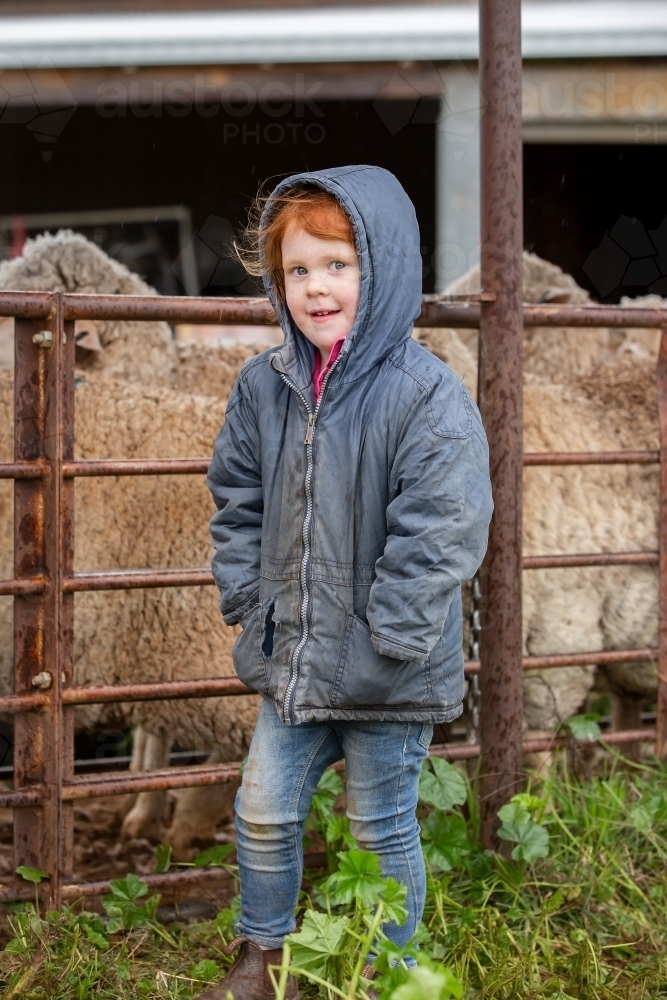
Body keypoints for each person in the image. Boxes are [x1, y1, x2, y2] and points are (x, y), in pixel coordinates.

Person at [203, 165, 493, 1000]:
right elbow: (237, 501)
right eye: (298, 270)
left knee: (379, 827)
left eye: (338, 264)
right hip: (293, 651)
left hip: (386, 664)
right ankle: (264, 957)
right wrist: (249, 601)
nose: (315, 288)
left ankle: (384, 969)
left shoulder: (425, 394)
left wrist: (392, 632)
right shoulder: (264, 388)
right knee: (262, 809)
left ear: (384, 267)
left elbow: (444, 523)